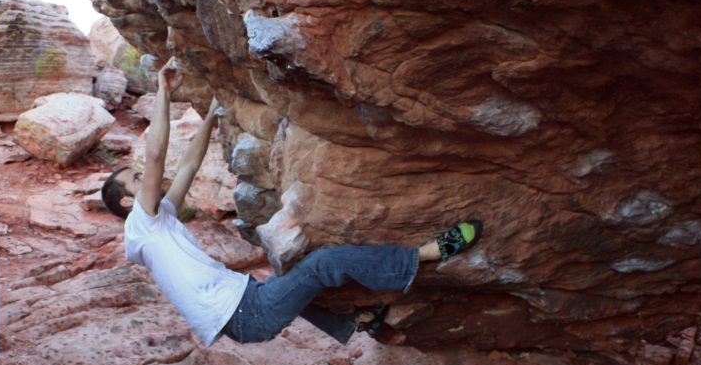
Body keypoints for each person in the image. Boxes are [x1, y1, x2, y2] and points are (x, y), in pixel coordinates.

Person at [100, 60, 483, 346]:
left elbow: (188, 164)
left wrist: (212, 118)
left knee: (291, 278)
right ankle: (427, 255)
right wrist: (163, 92)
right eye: (134, 180)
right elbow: (155, 157)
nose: (143, 177)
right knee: (322, 265)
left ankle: (359, 321)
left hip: (242, 301)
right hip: (246, 313)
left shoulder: (159, 218)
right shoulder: (141, 225)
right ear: (127, 199)